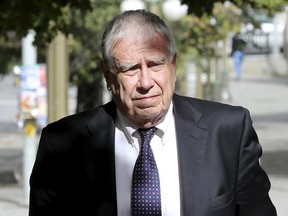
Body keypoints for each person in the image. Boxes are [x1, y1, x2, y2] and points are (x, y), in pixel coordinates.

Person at [29, 10, 276, 216]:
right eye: (131, 69)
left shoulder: (228, 132)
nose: (146, 82)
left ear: (173, 66)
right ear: (107, 75)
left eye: (156, 64)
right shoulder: (62, 144)